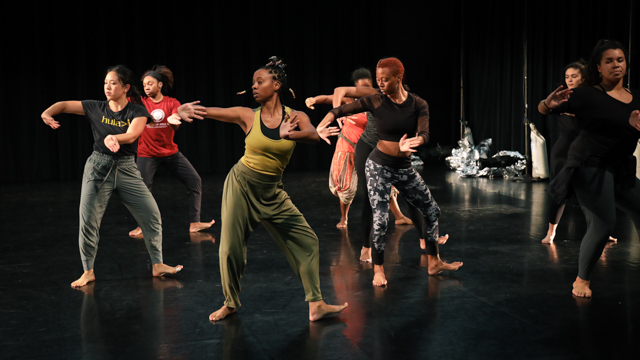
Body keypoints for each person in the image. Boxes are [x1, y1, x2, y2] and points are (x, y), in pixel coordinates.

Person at [176, 57, 348, 321]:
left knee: (307, 240)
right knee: (230, 248)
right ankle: (230, 302)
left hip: (273, 192)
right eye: (253, 83)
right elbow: (212, 111)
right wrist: (185, 110)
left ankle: (316, 304)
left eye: (260, 81)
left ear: (276, 84)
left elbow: (314, 136)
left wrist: (287, 134)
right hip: (241, 185)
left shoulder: (296, 116)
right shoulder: (247, 116)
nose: (254, 87)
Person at [318, 57, 462, 286]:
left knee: (432, 210)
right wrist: (321, 126)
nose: (381, 84)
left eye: (385, 80)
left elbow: (425, 134)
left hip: (403, 167)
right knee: (381, 220)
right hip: (379, 166)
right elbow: (339, 109)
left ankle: (434, 262)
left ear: (399, 78)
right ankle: (378, 270)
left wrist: (413, 143)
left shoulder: (418, 104)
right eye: (378, 80)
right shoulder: (375, 101)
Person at [41, 65, 183, 288]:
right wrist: (47, 113)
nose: (107, 86)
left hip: (127, 169)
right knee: (88, 220)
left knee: (152, 214)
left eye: (113, 83)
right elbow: (64, 105)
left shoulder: (137, 111)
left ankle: (158, 264)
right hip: (98, 168)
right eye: (106, 82)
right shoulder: (95, 107)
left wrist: (114, 138)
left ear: (126, 87)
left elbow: (134, 133)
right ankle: (88, 271)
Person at [539, 40, 640, 297]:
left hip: (620, 166)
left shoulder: (635, 97)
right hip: (590, 164)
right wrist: (548, 103)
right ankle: (581, 280)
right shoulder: (587, 95)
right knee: (604, 223)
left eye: (620, 59)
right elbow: (546, 109)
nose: (616, 64)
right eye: (609, 60)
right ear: (598, 67)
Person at [306, 68, 412, 229]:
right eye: (363, 87)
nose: (366, 90)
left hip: (369, 146)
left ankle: (399, 216)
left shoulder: (375, 101)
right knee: (346, 184)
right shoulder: (349, 101)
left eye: (369, 86)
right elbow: (330, 96)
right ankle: (344, 218)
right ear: (357, 87)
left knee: (383, 180)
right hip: (348, 144)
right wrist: (315, 101)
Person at [128, 65, 214, 238]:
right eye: (144, 84)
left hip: (170, 153)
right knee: (142, 191)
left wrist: (174, 120)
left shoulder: (172, 103)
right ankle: (141, 226)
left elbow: (175, 123)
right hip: (147, 154)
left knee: (194, 180)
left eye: (150, 83)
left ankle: (194, 222)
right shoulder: (140, 102)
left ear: (160, 84)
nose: (146, 87)